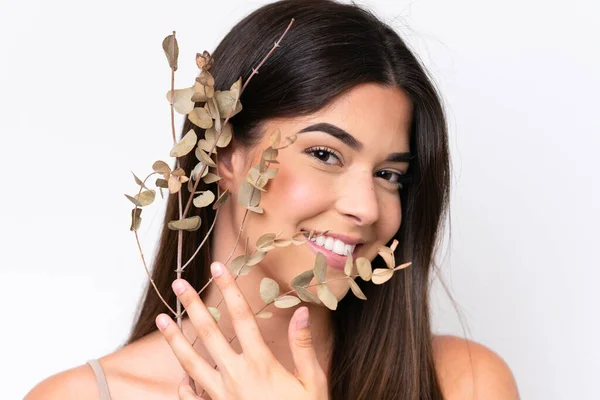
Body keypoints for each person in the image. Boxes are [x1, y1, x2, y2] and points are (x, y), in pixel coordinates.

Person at [25, 0, 519, 399]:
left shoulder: (464, 383)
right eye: (325, 154)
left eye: (389, 174)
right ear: (223, 154)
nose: (367, 208)